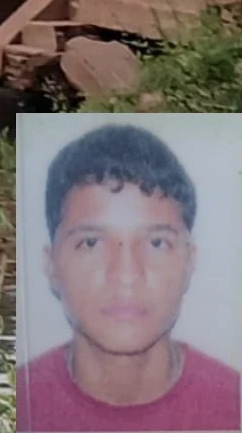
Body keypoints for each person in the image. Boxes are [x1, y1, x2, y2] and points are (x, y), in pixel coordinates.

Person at [18, 124, 241, 432]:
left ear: (189, 262)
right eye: (91, 243)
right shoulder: (18, 406)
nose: (126, 275)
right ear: (51, 266)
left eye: (157, 243)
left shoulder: (233, 408)